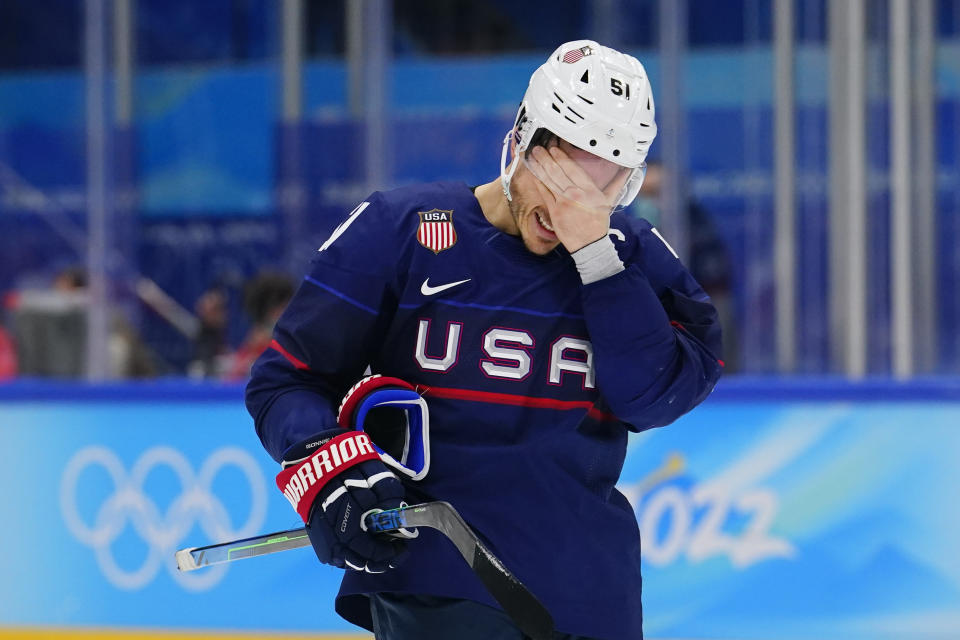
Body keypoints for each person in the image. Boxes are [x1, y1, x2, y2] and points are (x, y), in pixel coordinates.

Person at [246, 40, 723, 640]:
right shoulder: (401, 232)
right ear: (524, 137)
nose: (568, 216)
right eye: (562, 182)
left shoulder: (632, 258)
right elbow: (286, 379)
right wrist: (333, 469)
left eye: (600, 197)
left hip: (589, 595)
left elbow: (659, 397)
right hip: (440, 581)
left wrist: (597, 257)